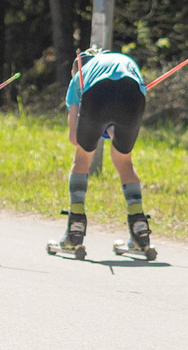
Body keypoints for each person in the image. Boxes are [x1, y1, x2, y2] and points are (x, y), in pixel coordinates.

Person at [56, 47, 153, 259]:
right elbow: (118, 120)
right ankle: (140, 230)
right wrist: (107, 131)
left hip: (97, 95)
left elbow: (74, 137)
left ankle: (75, 229)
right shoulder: (121, 62)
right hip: (133, 95)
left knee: (82, 157)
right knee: (124, 162)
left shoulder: (80, 75)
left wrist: (91, 132)